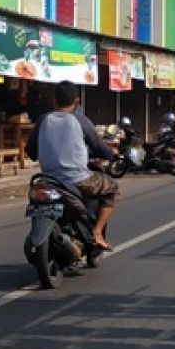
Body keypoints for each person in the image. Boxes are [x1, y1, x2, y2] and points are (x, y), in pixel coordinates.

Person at [25, 81, 119, 251]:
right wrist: (112, 155)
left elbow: (30, 151)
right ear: (77, 101)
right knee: (112, 187)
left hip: (48, 180)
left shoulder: (42, 120)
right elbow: (98, 146)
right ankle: (97, 232)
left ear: (54, 100)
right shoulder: (81, 120)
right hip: (77, 180)